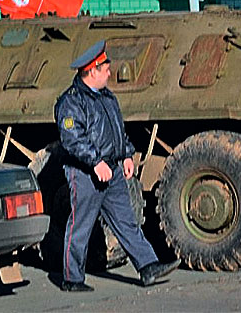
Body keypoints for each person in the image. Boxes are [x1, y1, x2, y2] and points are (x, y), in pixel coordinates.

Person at [54, 40, 179, 292]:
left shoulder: (107, 97)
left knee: (127, 221)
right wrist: (95, 161)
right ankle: (72, 278)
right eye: (105, 68)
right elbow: (72, 138)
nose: (111, 72)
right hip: (86, 173)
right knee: (81, 226)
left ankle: (148, 266)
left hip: (112, 170)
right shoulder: (72, 101)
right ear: (91, 71)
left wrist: (126, 155)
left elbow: (116, 131)